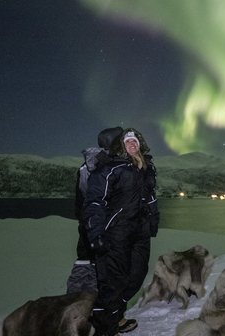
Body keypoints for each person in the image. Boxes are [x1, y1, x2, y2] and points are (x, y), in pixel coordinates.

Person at [83, 127, 159, 336]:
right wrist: (95, 233)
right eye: (127, 141)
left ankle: (115, 315)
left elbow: (150, 196)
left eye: (135, 141)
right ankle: (105, 329)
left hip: (140, 232)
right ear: (121, 147)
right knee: (114, 283)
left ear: (140, 145)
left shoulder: (147, 168)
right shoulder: (111, 169)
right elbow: (94, 202)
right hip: (117, 233)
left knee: (136, 276)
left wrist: (154, 220)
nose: (132, 144)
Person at [66, 126, 123, 294]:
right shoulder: (104, 166)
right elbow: (96, 199)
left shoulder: (89, 165)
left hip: (88, 225)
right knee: (98, 271)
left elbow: (82, 200)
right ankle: (88, 309)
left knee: (85, 265)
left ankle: (77, 306)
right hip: (99, 227)